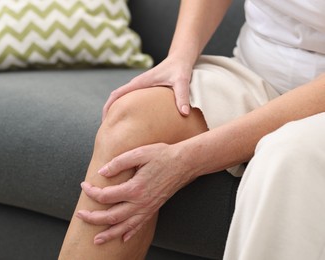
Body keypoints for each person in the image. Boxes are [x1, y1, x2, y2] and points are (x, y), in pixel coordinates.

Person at [58, 0, 325, 259]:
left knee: (283, 156)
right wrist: (180, 56)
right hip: (256, 71)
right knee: (130, 123)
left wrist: (189, 159)